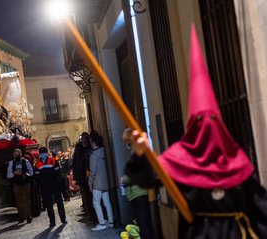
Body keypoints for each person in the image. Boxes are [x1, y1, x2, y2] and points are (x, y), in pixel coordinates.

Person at [125, 26, 267, 239]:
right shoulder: (180, 158)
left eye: (211, 120)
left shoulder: (236, 160)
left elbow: (260, 209)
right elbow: (146, 179)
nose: (206, 127)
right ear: (192, 126)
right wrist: (140, 153)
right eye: (200, 121)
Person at [121, 128, 154, 239]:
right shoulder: (136, 150)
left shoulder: (138, 151)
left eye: (126, 141)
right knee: (143, 224)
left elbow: (135, 173)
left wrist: (124, 180)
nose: (126, 144)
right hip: (137, 193)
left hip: (139, 192)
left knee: (144, 225)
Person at [35, 147, 67, 227]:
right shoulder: (37, 163)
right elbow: (37, 176)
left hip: (54, 184)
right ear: (40, 154)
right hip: (45, 187)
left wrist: (52, 180)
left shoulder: (52, 160)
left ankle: (63, 219)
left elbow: (57, 172)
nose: (43, 154)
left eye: (44, 152)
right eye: (42, 153)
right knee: (49, 205)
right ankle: (52, 222)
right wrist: (42, 184)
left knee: (59, 202)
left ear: (47, 153)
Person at [88, 134, 113, 231]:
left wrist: (90, 183)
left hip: (97, 183)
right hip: (106, 181)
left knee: (96, 202)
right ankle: (110, 222)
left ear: (93, 143)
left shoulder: (94, 156)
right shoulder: (104, 152)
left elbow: (92, 171)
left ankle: (102, 223)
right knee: (107, 202)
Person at [7, 148, 34, 224]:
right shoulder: (11, 163)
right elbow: (9, 175)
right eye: (15, 154)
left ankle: (28, 216)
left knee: (27, 200)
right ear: (13, 155)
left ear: (21, 154)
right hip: (16, 184)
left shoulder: (26, 161)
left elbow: (31, 172)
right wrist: (15, 173)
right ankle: (21, 216)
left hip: (25, 183)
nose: (16, 155)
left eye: (18, 154)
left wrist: (25, 174)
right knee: (19, 201)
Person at [73, 133, 93, 218]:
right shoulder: (81, 149)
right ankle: (89, 211)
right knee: (86, 194)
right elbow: (77, 163)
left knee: (89, 195)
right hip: (83, 176)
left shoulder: (87, 150)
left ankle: (91, 212)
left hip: (86, 176)